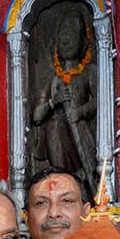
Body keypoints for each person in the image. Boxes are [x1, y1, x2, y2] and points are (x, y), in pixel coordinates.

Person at [31, 12, 97, 192]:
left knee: (86, 175)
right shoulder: (53, 79)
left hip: (80, 131)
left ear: (84, 42)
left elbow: (100, 102)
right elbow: (37, 116)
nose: (67, 39)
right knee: (63, 177)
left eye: (72, 34)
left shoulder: (89, 72)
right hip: (57, 134)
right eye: (63, 36)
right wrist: (54, 102)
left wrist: (80, 112)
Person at [23, 168, 92, 239]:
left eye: (66, 201)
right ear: (26, 219)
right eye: (41, 203)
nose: (54, 213)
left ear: (86, 213)